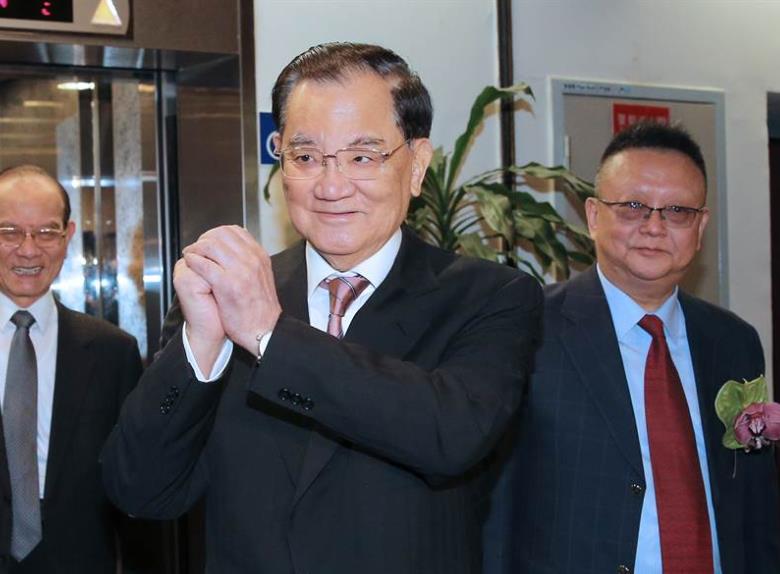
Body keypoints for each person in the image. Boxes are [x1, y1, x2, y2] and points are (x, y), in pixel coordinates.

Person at [100, 42, 542, 573]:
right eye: (306, 157)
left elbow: (450, 435)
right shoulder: (230, 293)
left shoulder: (489, 296)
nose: (331, 186)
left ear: (417, 165)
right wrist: (199, 349)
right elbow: (140, 489)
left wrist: (269, 334)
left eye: (362, 157)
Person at [486, 121, 780, 574]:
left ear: (700, 226)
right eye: (633, 207)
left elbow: (756, 503)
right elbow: (494, 504)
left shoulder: (734, 341)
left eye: (677, 211)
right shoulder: (527, 330)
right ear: (593, 216)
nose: (654, 227)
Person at [0, 165, 143, 572]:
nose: (29, 250)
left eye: (46, 232)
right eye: (9, 232)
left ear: (68, 236)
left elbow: (133, 483)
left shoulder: (114, 352)